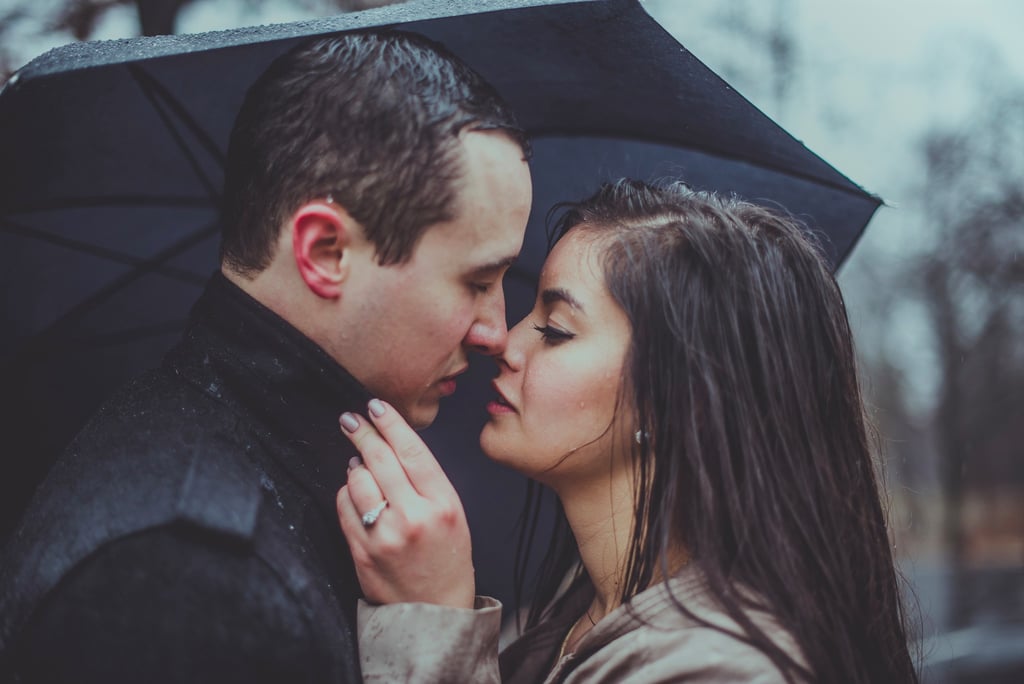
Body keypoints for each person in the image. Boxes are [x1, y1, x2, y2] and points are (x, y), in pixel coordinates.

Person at [0, 31, 531, 682]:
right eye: (477, 283)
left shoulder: (242, 479)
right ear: (324, 252)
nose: (496, 333)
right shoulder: (193, 582)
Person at [336, 179, 919, 683]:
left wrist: (436, 627)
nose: (505, 344)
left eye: (556, 330)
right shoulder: (569, 620)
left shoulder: (727, 669)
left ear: (680, 397)